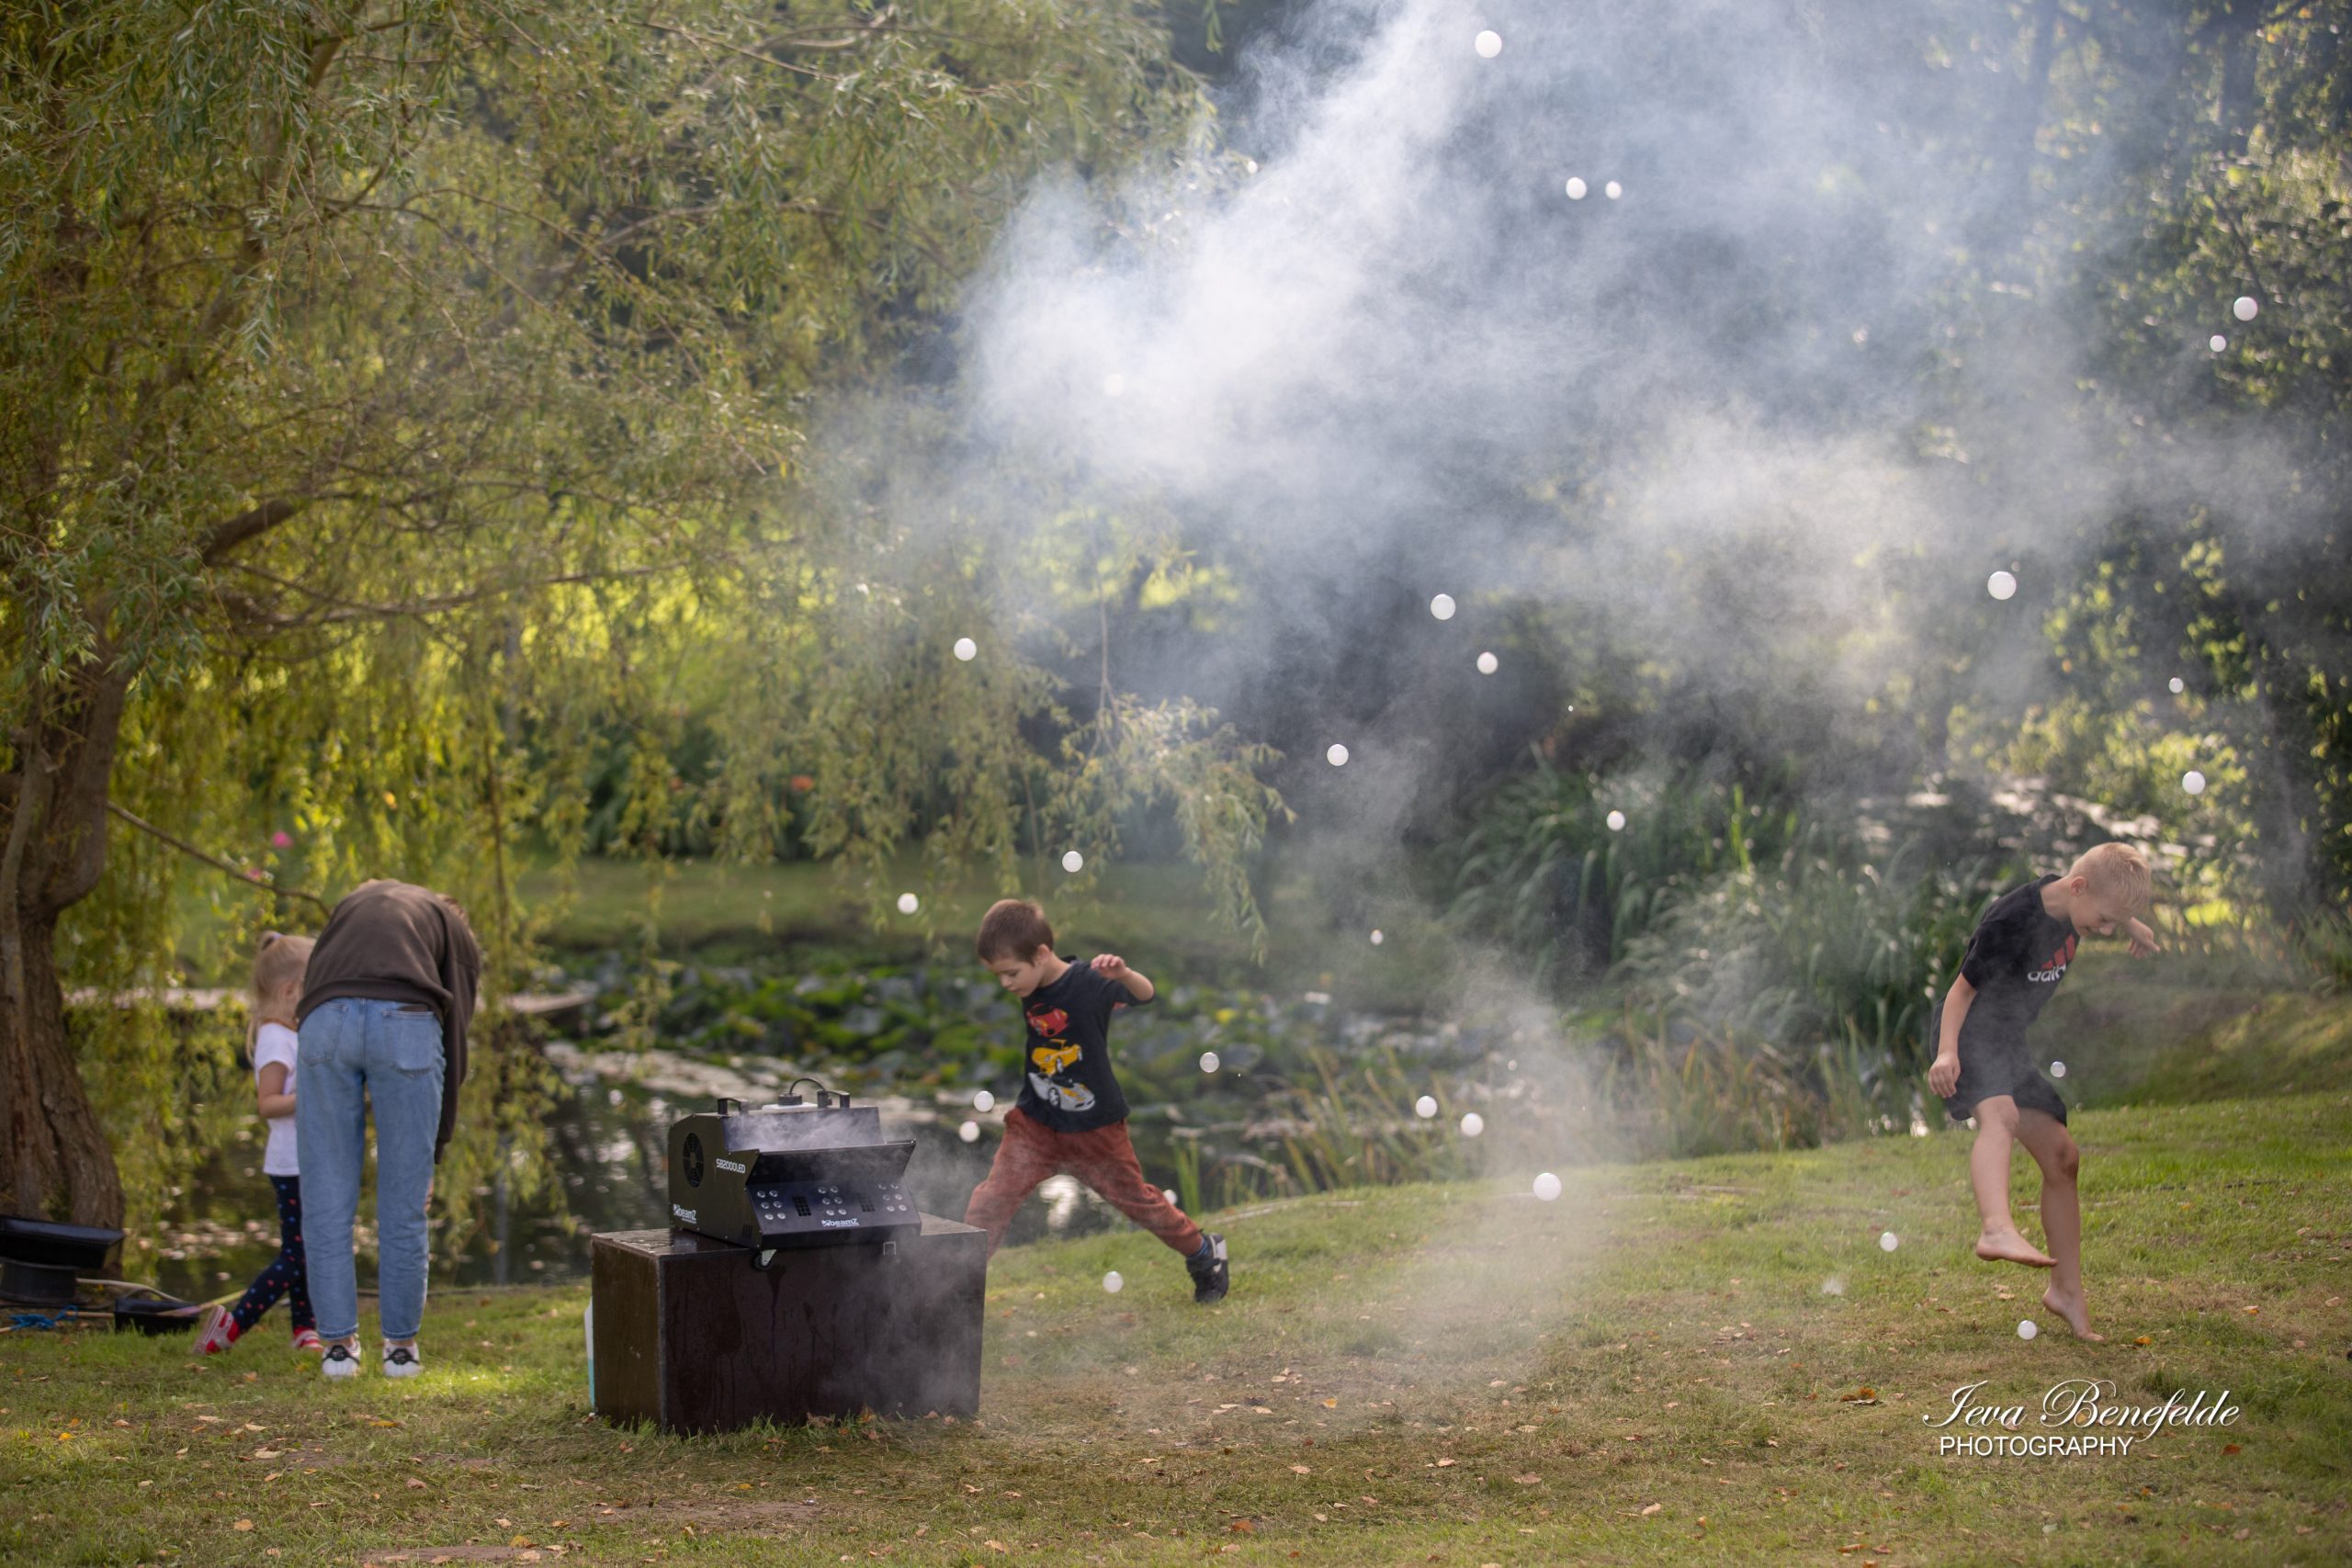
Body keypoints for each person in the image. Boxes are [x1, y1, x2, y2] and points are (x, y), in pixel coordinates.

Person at [1927, 842, 2159, 1341]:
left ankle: (2066, 1292)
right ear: (2078, 888)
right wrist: (1946, 1054)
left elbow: (2102, 900)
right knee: (2002, 1117)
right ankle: (1995, 1228)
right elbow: (1960, 993)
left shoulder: (2078, 899)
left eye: (2113, 923)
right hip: (1967, 1035)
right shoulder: (2011, 921)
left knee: (2063, 1156)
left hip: (2007, 1041)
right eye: (2104, 921)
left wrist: (2131, 924)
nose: (2104, 930)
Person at [962, 898, 1229, 1303]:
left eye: (1011, 973)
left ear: (1041, 954)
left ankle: (1205, 1253)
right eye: (998, 975)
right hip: (1035, 1124)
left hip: (1095, 1130)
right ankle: (956, 1285)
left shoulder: (1090, 980)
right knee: (990, 1201)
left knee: (1140, 1203)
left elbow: (1145, 994)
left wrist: (1124, 974)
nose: (1006, 984)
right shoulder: (1029, 980)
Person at [295, 879, 481, 1379]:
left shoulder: (353, 903)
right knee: (403, 1203)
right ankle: (400, 1351)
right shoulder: (452, 928)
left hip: (325, 1020)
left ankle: (338, 1350)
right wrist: (434, 1147)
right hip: (405, 1023)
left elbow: (315, 981)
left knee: (326, 1198)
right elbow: (456, 1039)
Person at [195, 932, 322, 1356]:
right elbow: (267, 1104)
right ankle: (232, 1325)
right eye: (313, 988)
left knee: (303, 1250)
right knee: (299, 1254)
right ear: (289, 992)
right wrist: (313, 1097)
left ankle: (304, 1327)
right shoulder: (275, 1039)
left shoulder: (292, 1034)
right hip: (291, 1164)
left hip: (307, 1160)